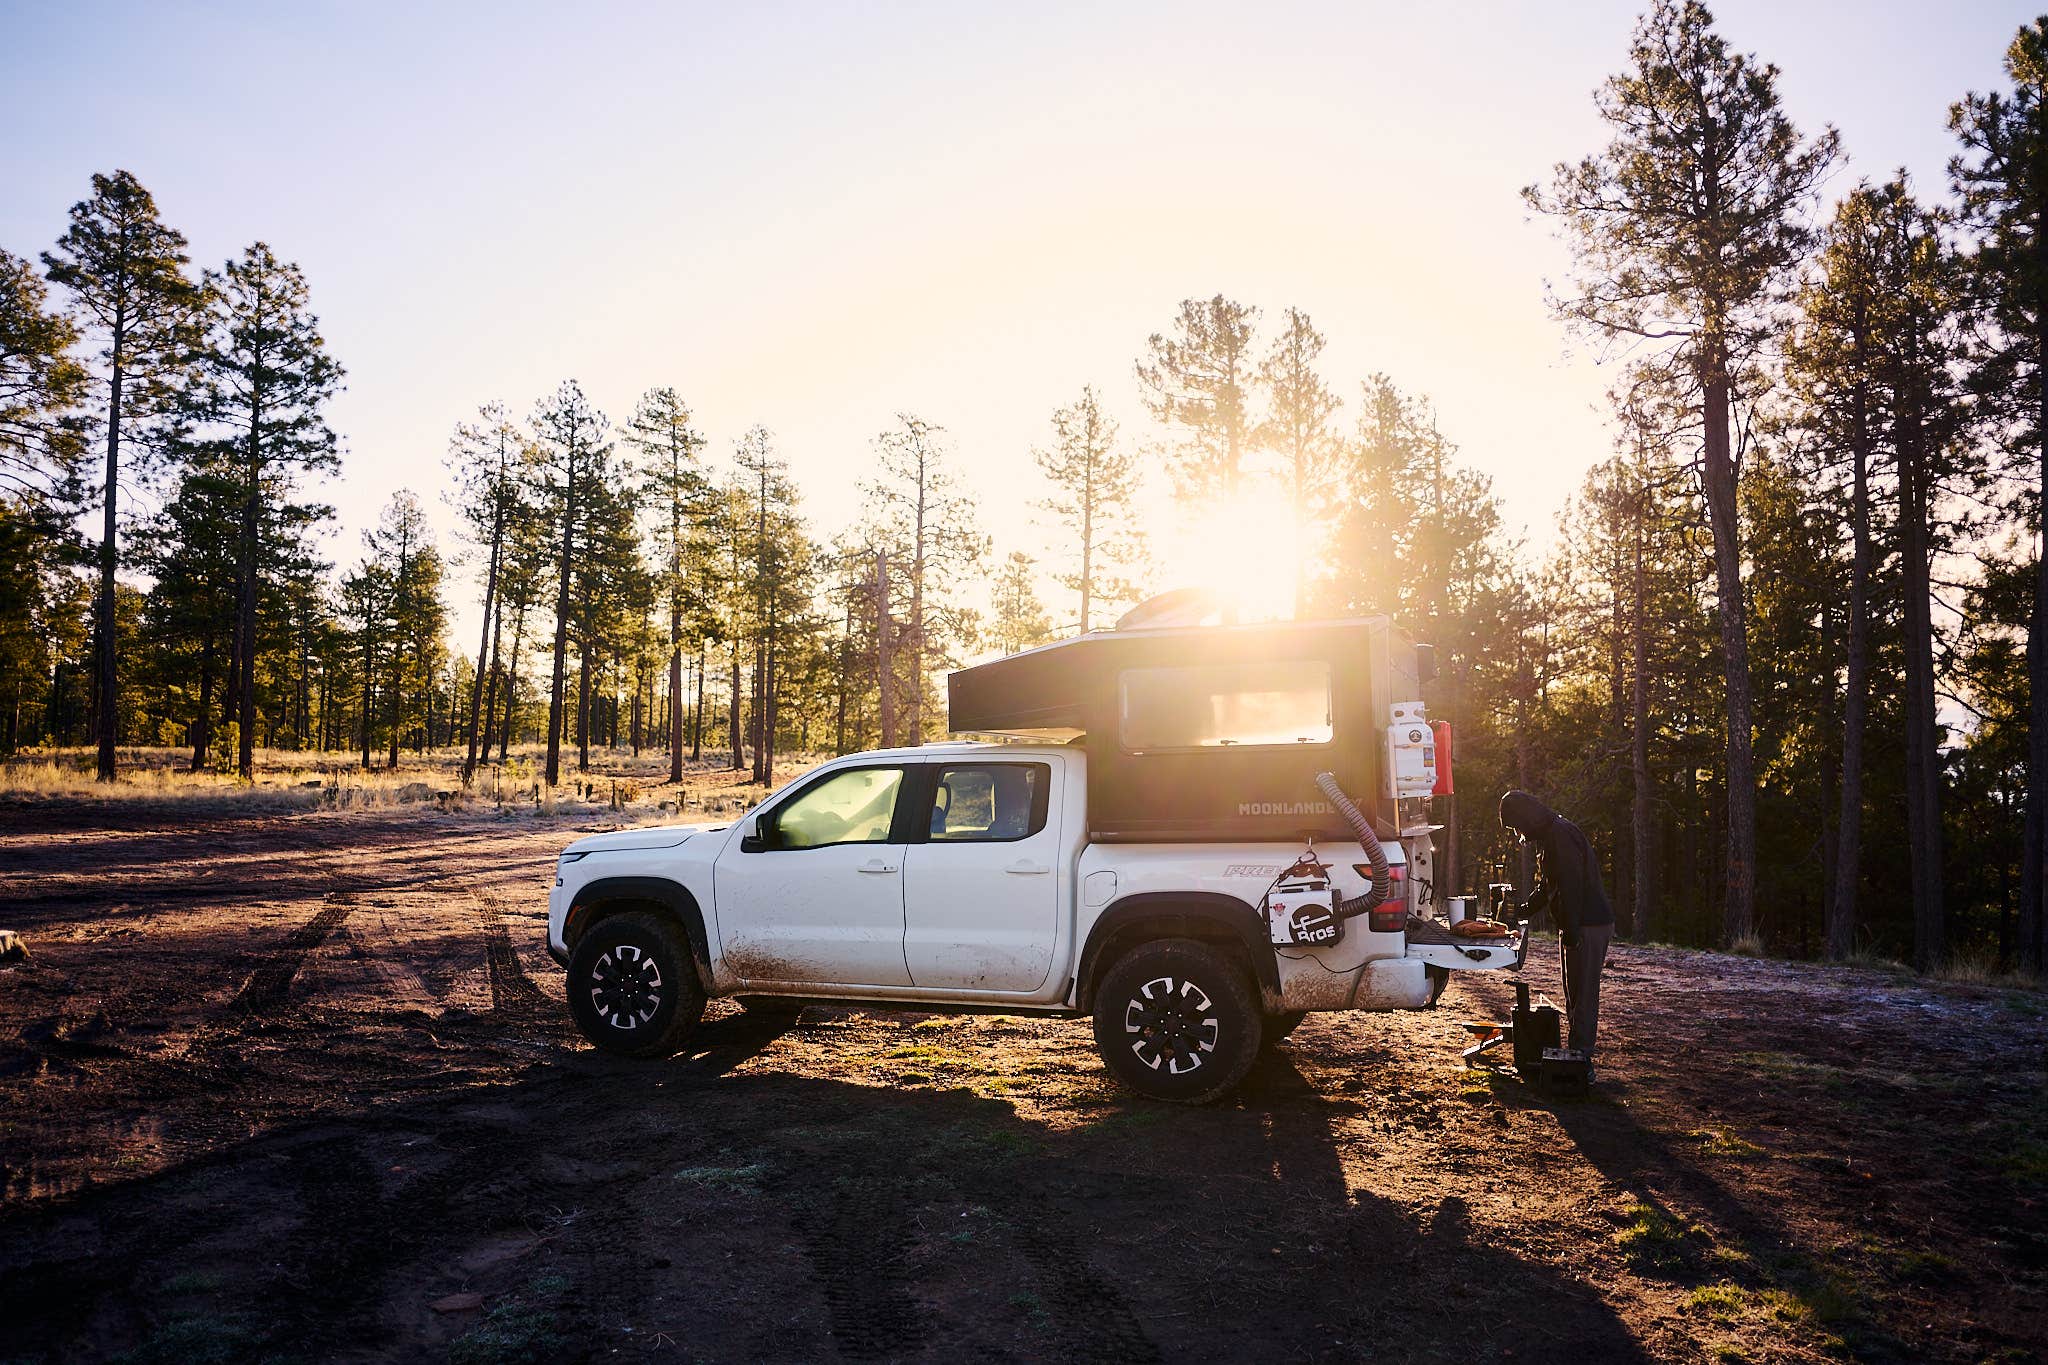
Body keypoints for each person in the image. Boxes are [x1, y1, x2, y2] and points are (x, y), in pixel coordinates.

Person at [1499, 789, 1614, 1071]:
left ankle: (1581, 1061)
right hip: (1578, 923)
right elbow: (1551, 884)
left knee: (1583, 994)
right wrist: (1524, 909)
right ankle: (1576, 1055)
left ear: (1526, 819)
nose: (1518, 834)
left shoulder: (1560, 835)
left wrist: (1573, 930)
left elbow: (1571, 886)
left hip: (1588, 924)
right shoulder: (1552, 835)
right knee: (1574, 992)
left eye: (1516, 826)